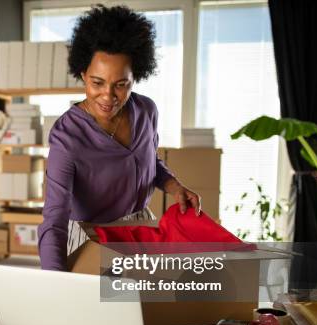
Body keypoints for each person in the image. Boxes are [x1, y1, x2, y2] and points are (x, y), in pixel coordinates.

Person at [37, 5, 201, 271]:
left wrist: (174, 187)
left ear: (136, 76)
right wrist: (55, 283)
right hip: (93, 243)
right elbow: (54, 218)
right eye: (97, 82)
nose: (108, 96)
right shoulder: (67, 137)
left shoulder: (146, 111)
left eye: (120, 84)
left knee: (153, 309)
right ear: (82, 75)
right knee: (103, 311)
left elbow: (148, 160)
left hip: (141, 233)